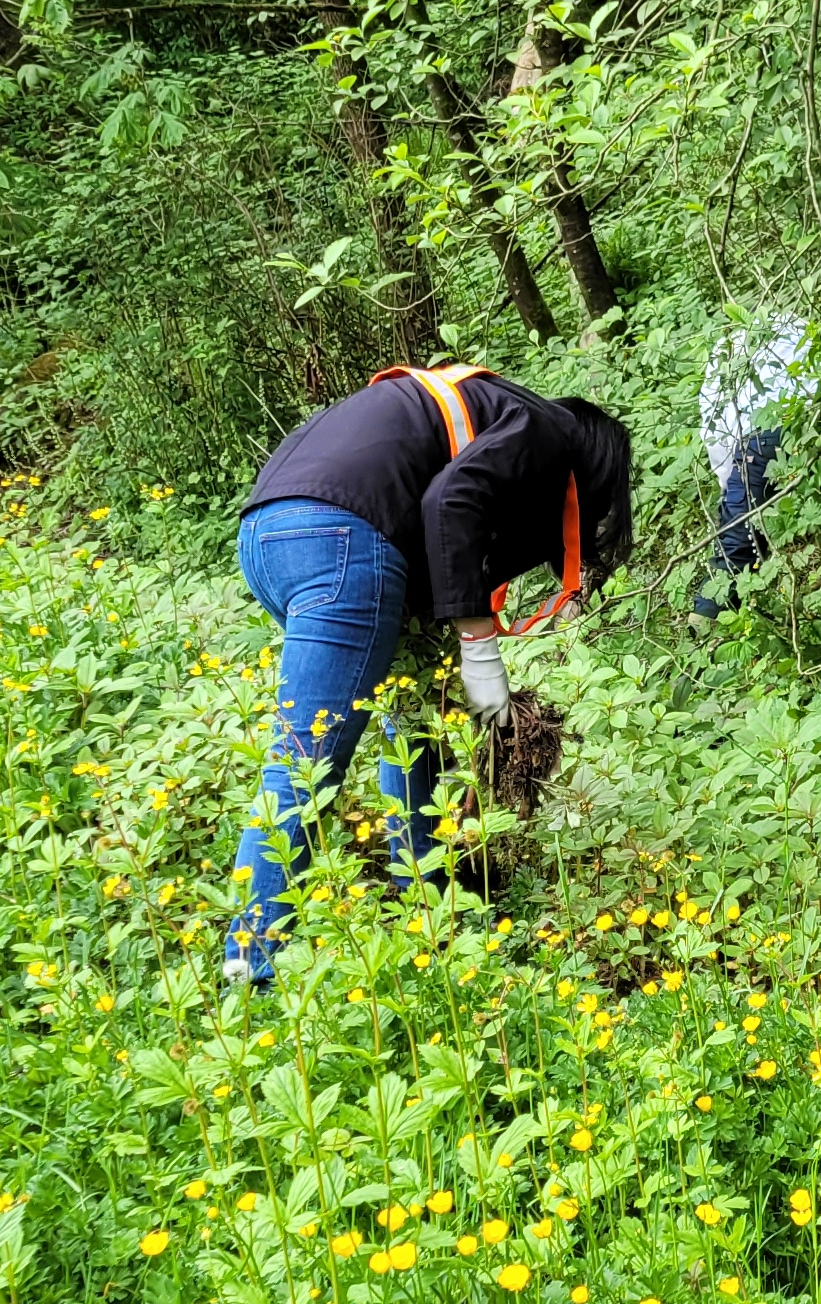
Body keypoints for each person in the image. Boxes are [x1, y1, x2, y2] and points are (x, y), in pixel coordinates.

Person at [225, 361, 634, 977]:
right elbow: (451, 501)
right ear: (594, 467)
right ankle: (249, 969)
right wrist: (480, 649)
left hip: (268, 532)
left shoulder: (490, 406)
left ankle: (431, 907)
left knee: (417, 729)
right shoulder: (548, 432)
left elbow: (441, 517)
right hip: (339, 539)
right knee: (304, 767)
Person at [693, 309, 809, 621]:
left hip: (761, 435)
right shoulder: (799, 327)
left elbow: (715, 430)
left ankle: (708, 619)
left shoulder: (726, 354)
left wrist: (728, 484)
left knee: (737, 539)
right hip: (811, 421)